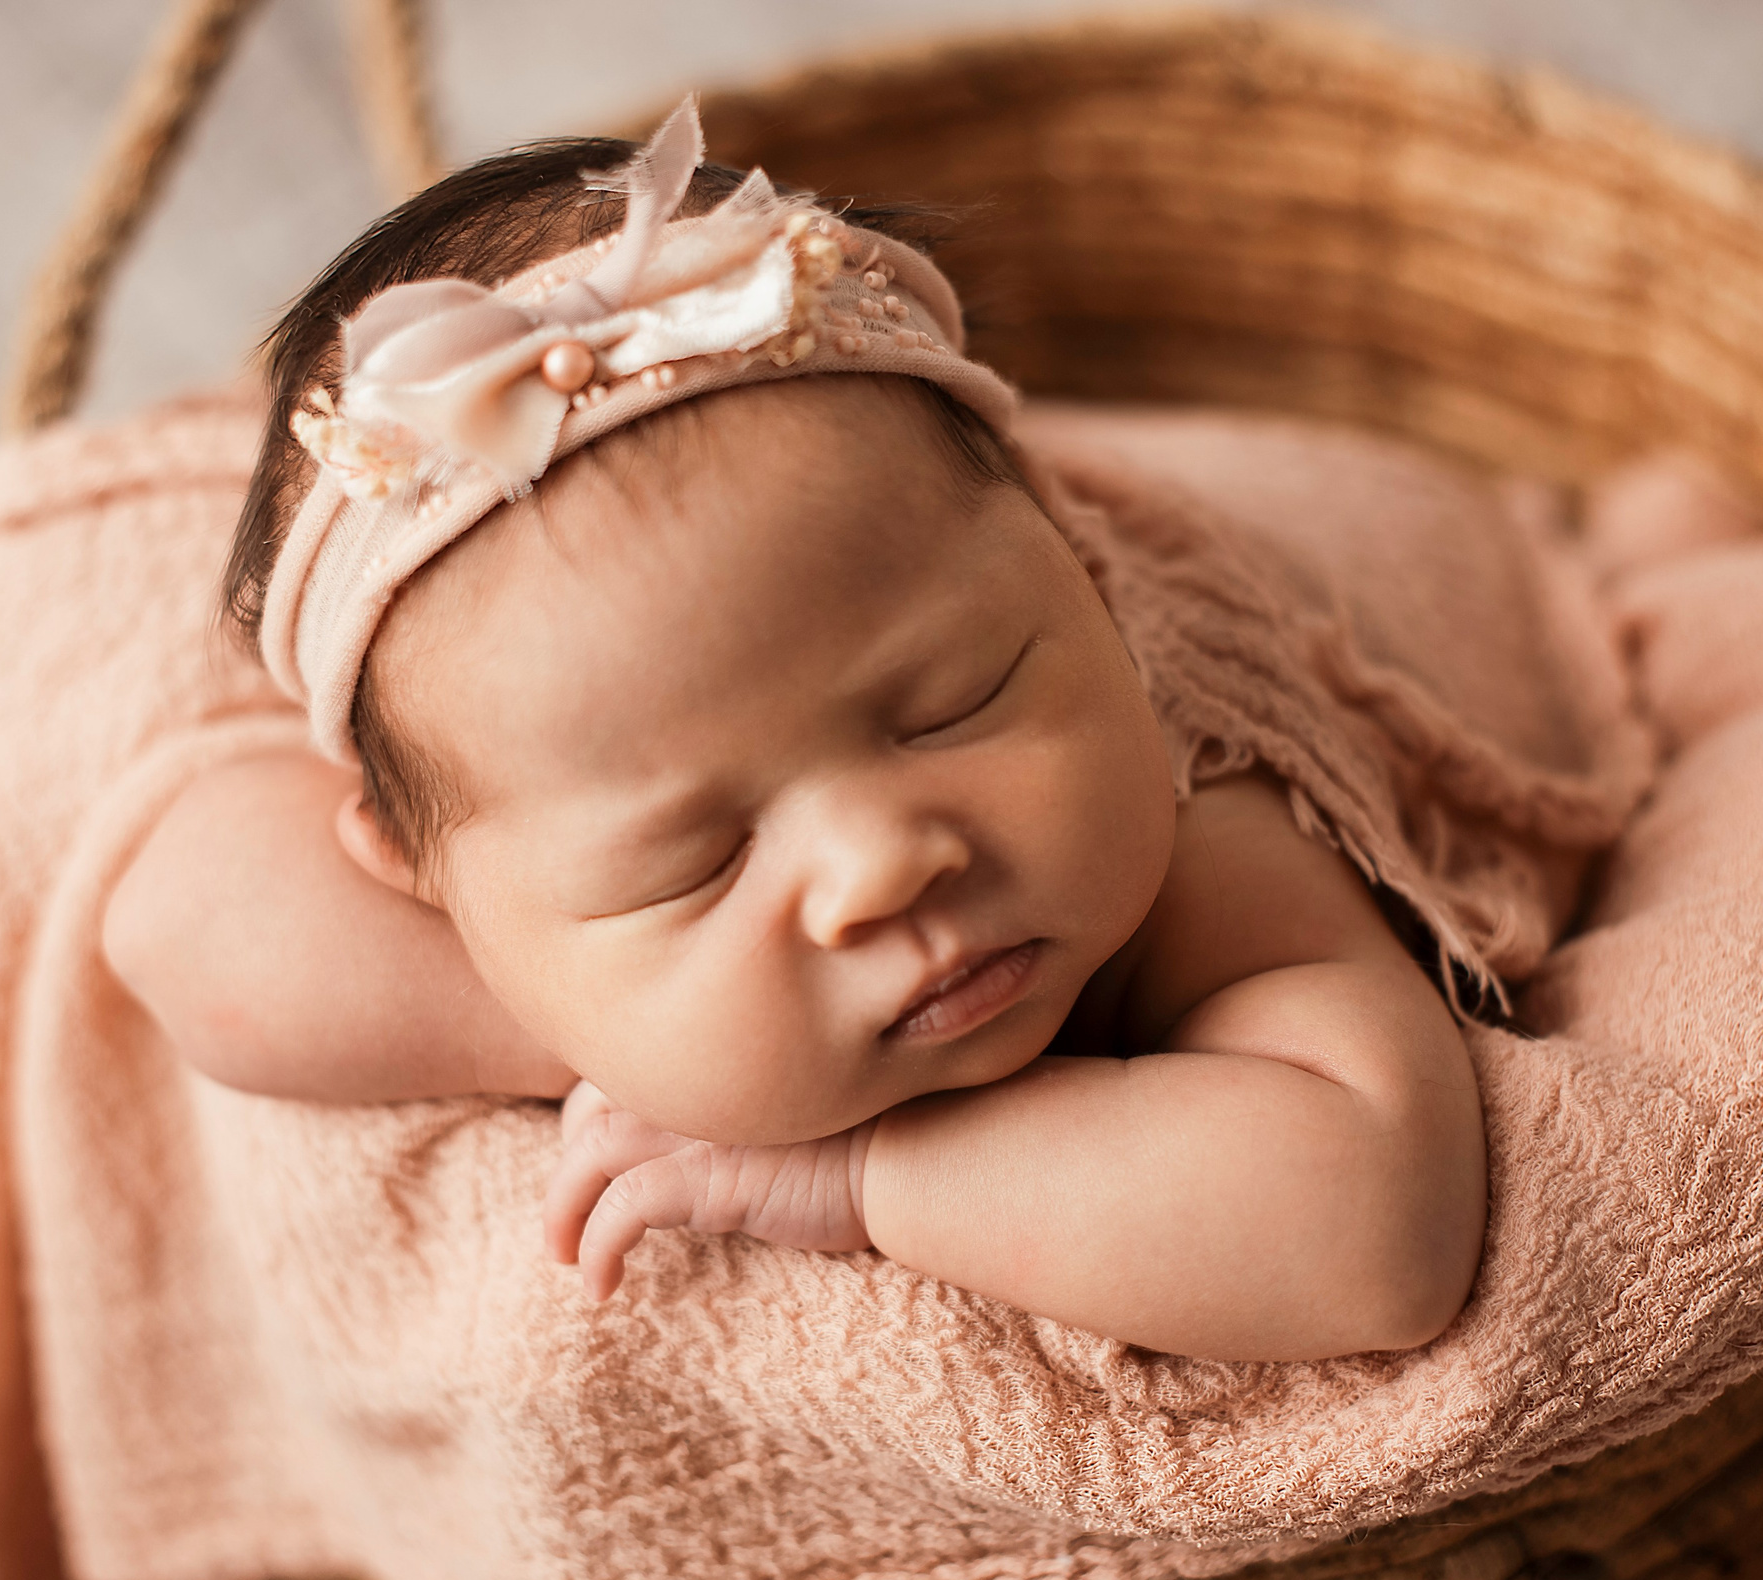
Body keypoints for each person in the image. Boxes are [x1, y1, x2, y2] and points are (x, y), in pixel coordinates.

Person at [102, 101, 1488, 1363]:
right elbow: (176, 924)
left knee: (1589, 558)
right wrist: (614, 1033)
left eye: (954, 704)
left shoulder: (1195, 816)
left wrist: (862, 1173)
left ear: (1073, 567)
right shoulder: (511, 867)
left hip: (1407, 560)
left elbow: (1379, 1237)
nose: (881, 865)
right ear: (429, 883)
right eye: (695, 861)